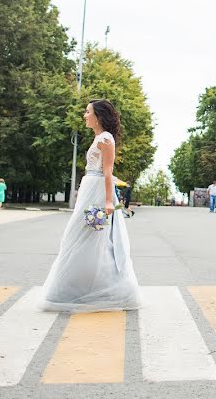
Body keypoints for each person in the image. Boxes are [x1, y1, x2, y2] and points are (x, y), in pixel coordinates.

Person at [40, 99, 142, 312]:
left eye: (88, 112)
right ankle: (78, 290)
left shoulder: (105, 138)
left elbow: (107, 171)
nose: (85, 116)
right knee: (86, 240)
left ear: (98, 116)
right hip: (90, 190)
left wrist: (107, 201)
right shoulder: (99, 138)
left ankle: (89, 291)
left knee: (93, 239)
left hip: (96, 193)